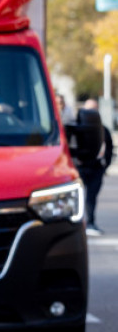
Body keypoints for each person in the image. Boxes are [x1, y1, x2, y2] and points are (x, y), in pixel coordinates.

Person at [78, 98, 113, 236]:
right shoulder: (78, 128)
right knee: (78, 198)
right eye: (88, 110)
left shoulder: (103, 130)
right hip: (80, 168)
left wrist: (105, 167)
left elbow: (109, 149)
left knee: (91, 197)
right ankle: (77, 225)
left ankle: (90, 223)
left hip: (96, 169)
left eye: (94, 109)